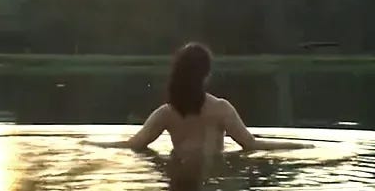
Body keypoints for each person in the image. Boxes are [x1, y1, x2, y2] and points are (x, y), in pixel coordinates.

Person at [96, 42, 307, 156]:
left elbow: (134, 144)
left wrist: (93, 144)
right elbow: (251, 144)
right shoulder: (221, 109)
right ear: (206, 74)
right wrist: (298, 146)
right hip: (212, 174)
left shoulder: (167, 113)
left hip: (177, 172)